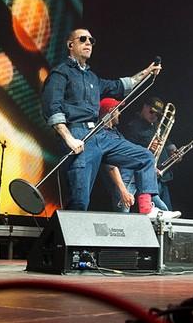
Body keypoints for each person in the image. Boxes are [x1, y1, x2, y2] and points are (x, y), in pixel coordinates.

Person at [41, 28, 172, 218]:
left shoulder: (92, 78)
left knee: (145, 157)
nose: (88, 42)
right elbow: (52, 107)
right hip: (78, 134)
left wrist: (147, 72)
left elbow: (121, 85)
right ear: (70, 45)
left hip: (99, 134)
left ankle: (147, 209)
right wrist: (68, 138)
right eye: (83, 39)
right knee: (80, 201)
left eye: (91, 40)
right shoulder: (60, 73)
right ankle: (65, 235)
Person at [116, 96, 179, 214]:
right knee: (156, 209)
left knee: (166, 213)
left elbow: (167, 142)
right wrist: (147, 148)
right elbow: (128, 150)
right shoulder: (133, 126)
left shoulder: (156, 125)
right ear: (144, 107)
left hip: (162, 175)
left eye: (157, 114)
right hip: (146, 174)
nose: (154, 116)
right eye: (151, 112)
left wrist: (173, 150)